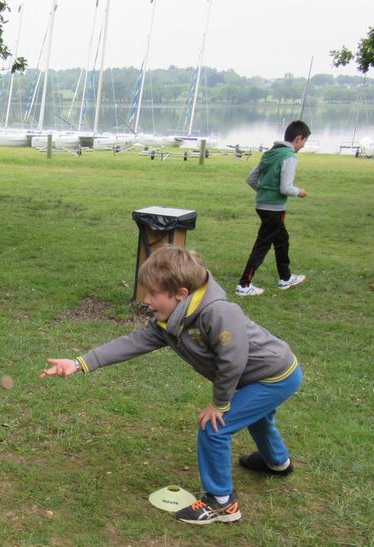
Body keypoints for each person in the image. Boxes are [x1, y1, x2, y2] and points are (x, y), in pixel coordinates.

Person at [42, 247, 302, 526]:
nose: (146, 300)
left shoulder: (218, 312)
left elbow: (233, 360)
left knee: (215, 426)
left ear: (180, 293)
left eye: (154, 294)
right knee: (256, 417)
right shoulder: (170, 321)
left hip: (275, 375)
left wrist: (219, 404)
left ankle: (222, 503)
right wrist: (80, 362)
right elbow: (132, 343)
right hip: (262, 376)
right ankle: (276, 463)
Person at [236, 120, 311, 296]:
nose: (303, 146)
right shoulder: (289, 157)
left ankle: (285, 278)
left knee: (282, 240)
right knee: (263, 244)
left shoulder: (269, 153)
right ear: (299, 138)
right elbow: (285, 188)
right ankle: (244, 285)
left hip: (262, 205)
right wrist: (299, 192)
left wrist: (263, 192)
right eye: (305, 141)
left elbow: (251, 179)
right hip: (274, 209)